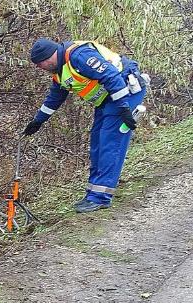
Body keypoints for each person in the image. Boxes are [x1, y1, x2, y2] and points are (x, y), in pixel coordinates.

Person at [23, 38, 148, 213]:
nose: (39, 68)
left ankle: (100, 197)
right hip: (108, 99)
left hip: (124, 91)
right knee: (97, 143)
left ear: (49, 57)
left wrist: (124, 109)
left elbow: (111, 76)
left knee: (109, 143)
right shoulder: (60, 71)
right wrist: (38, 120)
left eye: (40, 64)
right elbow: (55, 98)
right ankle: (93, 193)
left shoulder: (79, 56)